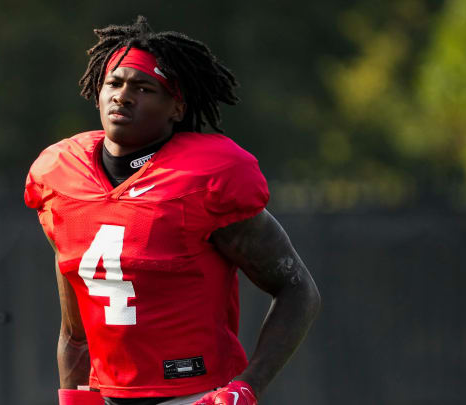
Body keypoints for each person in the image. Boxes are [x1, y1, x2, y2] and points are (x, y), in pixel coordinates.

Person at [24, 16, 321, 405]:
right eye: (114, 83)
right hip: (107, 394)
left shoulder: (204, 177)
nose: (123, 96)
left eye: (144, 88)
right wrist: (75, 397)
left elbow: (298, 290)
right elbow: (75, 328)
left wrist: (248, 386)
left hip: (197, 393)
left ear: (176, 108)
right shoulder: (61, 177)